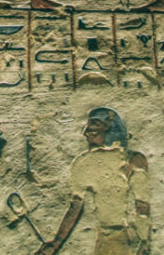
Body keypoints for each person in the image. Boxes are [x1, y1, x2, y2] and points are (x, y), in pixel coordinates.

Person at [36, 107, 150, 255]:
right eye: (88, 129)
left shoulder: (134, 160)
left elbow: (142, 206)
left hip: (127, 238)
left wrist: (144, 241)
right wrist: (56, 243)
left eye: (93, 129)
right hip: (107, 238)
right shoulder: (84, 163)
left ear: (109, 130)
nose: (86, 134)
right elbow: (75, 208)